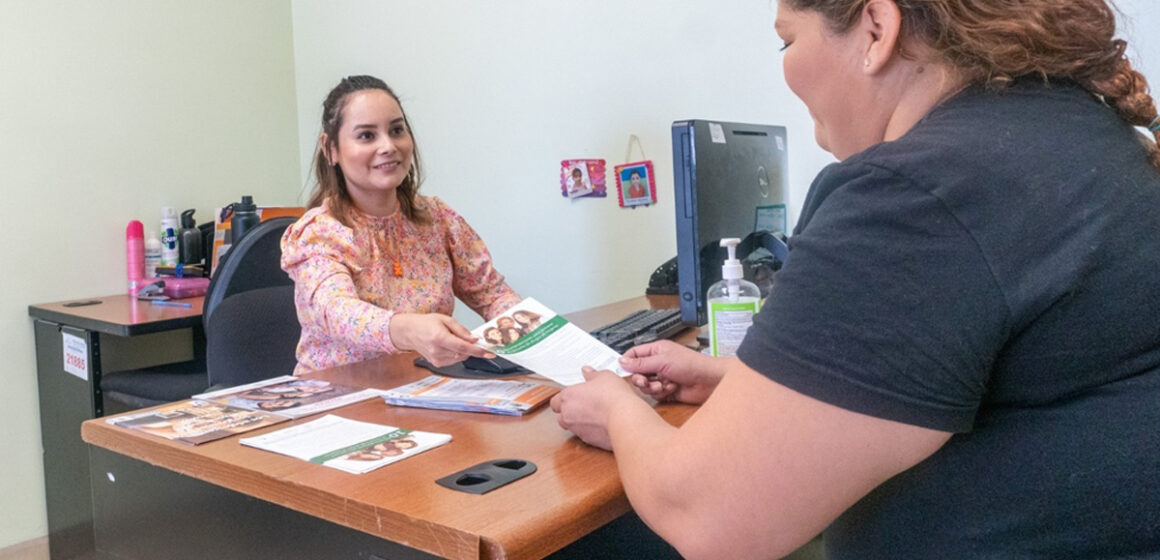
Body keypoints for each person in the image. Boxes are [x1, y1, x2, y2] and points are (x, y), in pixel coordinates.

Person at [550, 1, 1160, 558]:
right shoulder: (1076, 136)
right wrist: (742, 382)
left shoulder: (921, 193)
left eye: (787, 41)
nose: (786, 67)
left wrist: (617, 410)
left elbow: (708, 519)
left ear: (876, 29)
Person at [282, 76, 522, 374]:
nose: (388, 146)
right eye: (367, 136)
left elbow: (493, 294)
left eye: (396, 130)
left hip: (424, 388)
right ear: (331, 148)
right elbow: (337, 312)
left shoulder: (438, 218)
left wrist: (541, 337)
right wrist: (408, 330)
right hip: (338, 394)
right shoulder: (318, 232)